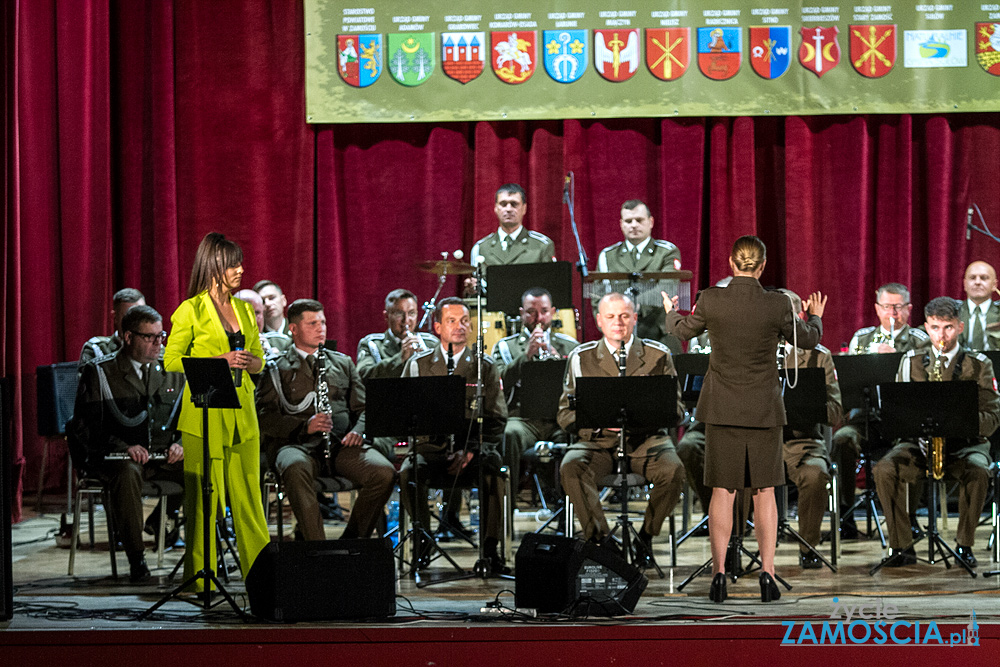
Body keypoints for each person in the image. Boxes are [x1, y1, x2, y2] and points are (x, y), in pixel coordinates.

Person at [663, 235, 826, 602]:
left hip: (721, 410)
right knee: (765, 491)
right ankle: (767, 576)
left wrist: (670, 310)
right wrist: (814, 314)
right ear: (763, 266)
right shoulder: (778, 304)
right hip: (764, 411)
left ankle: (719, 576)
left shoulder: (711, 299)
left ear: (732, 263)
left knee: (724, 490)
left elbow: (681, 331)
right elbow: (810, 340)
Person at [163, 232, 270, 590]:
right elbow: (171, 360)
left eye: (241, 262)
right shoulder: (190, 310)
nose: (241, 269)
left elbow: (259, 361)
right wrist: (217, 360)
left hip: (243, 415)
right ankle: (201, 581)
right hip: (204, 416)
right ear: (214, 266)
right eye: (233, 263)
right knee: (203, 504)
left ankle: (260, 577)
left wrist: (253, 362)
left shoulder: (243, 310)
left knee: (250, 501)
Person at [557, 293, 685, 566]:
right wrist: (597, 420)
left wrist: (646, 413)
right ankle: (603, 542)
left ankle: (646, 538)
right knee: (571, 466)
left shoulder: (658, 355)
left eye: (625, 316)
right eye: (611, 317)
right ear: (599, 321)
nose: (618, 322)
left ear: (635, 319)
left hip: (645, 440)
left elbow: (678, 410)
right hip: (598, 442)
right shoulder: (582, 357)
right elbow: (565, 414)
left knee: (673, 470)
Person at [873, 296, 998, 568]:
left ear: (960, 327)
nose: (941, 335)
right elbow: (897, 414)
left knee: (978, 471)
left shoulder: (978, 364)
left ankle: (964, 545)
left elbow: (993, 415)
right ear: (926, 327)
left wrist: (961, 422)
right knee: (884, 469)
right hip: (919, 443)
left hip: (964, 444)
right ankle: (901, 546)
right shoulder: (910, 361)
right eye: (934, 327)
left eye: (948, 327)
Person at [257, 299, 394, 541]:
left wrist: (359, 431)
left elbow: (364, 408)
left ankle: (351, 542)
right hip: (297, 445)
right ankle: (317, 547)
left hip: (341, 445)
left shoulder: (342, 362)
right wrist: (304, 425)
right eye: (313, 323)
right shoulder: (276, 368)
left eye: (323, 322)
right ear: (294, 329)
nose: (321, 328)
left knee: (383, 473)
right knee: (294, 466)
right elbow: (266, 417)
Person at [68, 305, 185, 582]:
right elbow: (83, 427)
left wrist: (180, 442)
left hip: (161, 458)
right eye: (150, 337)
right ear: (128, 337)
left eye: (162, 336)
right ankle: (137, 559)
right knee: (128, 474)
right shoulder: (101, 372)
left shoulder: (171, 368)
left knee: (206, 468)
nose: (159, 343)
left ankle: (196, 551)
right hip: (115, 460)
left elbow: (185, 417)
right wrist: (123, 447)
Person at [400, 297, 510, 573]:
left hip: (474, 451)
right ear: (437, 326)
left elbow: (497, 418)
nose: (460, 327)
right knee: (409, 472)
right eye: (451, 321)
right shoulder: (418, 365)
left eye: (464, 321)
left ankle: (490, 550)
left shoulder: (484, 366)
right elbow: (402, 413)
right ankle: (423, 543)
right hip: (432, 450)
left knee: (495, 473)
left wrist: (471, 448)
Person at [834, 282, 928, 538]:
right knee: (842, 440)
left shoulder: (920, 340)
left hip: (905, 420)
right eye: (887, 307)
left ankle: (908, 519)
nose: (893, 314)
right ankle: (846, 518)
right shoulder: (862, 338)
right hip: (868, 418)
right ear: (877, 309)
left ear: (909, 309)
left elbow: (925, 388)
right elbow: (849, 384)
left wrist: (896, 360)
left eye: (898, 307)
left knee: (915, 447)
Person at [777, 289, 843, 569]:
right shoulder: (752, 352)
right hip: (761, 438)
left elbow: (836, 411)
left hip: (803, 440)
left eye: (787, 314)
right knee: (731, 470)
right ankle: (734, 548)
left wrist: (808, 403)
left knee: (815, 475)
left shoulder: (818, 356)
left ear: (799, 316)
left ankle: (808, 546)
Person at [492, 287, 579, 496]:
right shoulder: (506, 347)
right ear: (522, 313)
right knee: (508, 434)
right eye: (531, 312)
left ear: (553, 312)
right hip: (522, 419)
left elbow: (580, 386)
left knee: (575, 435)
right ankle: (507, 508)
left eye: (544, 311)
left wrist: (559, 362)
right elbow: (499, 385)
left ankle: (564, 514)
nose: (538, 318)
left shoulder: (570, 346)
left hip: (558, 419)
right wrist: (526, 357)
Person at [595, 199, 684, 354]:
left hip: (660, 335)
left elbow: (666, 289)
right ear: (621, 224)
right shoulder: (607, 256)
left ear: (651, 222)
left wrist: (632, 306)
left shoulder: (666, 252)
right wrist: (609, 326)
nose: (634, 225)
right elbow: (597, 296)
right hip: (619, 337)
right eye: (629, 221)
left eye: (639, 220)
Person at [465, 183, 556, 294]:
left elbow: (551, 287)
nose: (508, 209)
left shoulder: (542, 245)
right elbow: (479, 292)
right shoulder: (481, 248)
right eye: (503, 204)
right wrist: (472, 289)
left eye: (514, 204)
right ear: (496, 208)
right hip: (491, 310)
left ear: (524, 208)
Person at [356, 289, 439, 382]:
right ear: (386, 316)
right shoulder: (371, 344)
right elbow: (363, 376)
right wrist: (400, 358)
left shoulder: (432, 342)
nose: (406, 320)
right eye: (399, 313)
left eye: (411, 313)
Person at [78, 288, 146, 369]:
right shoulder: (96, 349)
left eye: (141, 317)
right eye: (129, 317)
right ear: (115, 317)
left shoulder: (156, 348)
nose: (136, 323)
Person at [236, 288, 291, 362]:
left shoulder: (283, 342)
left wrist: (272, 355)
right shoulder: (223, 341)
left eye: (257, 312)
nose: (253, 318)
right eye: (246, 313)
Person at [959, 261, 1000, 351]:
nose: (977, 282)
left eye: (984, 278)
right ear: (965, 284)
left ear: (994, 285)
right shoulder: (953, 311)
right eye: (972, 278)